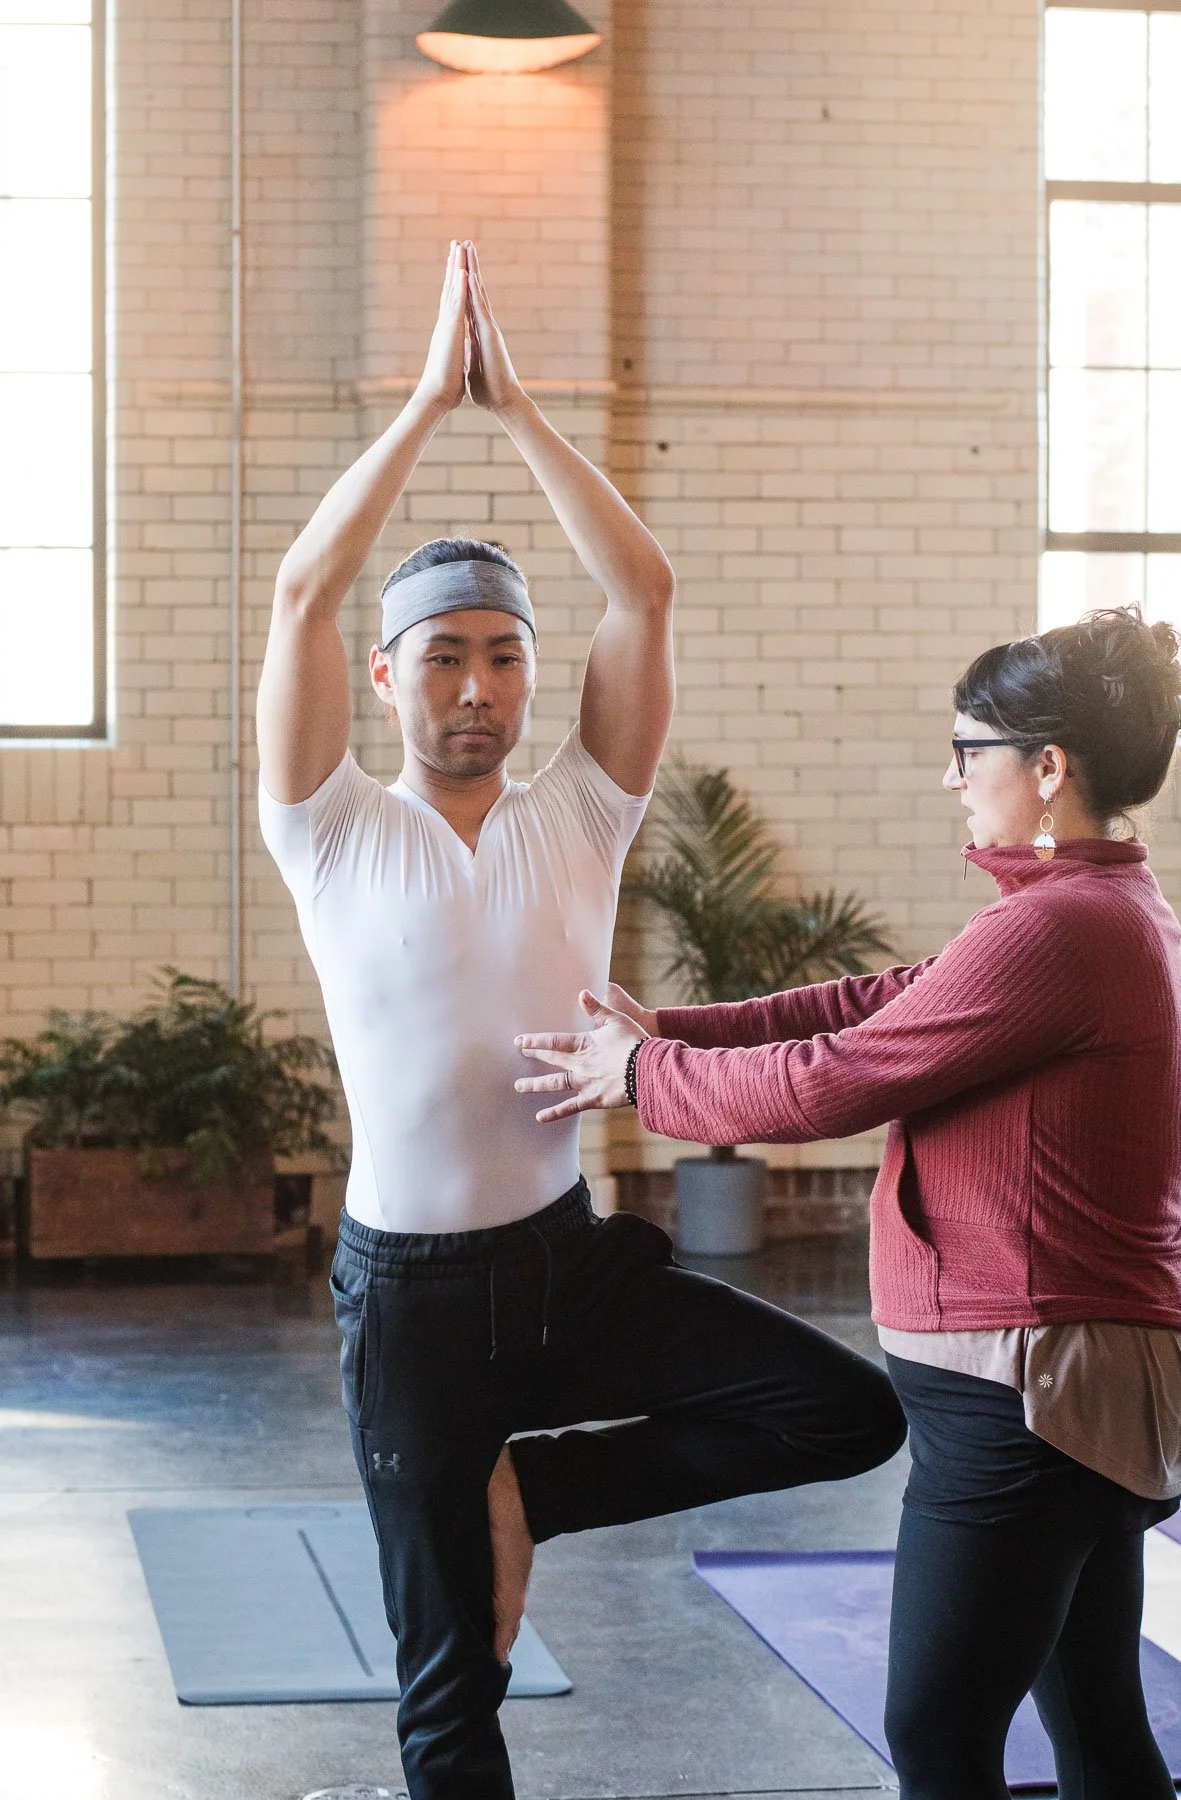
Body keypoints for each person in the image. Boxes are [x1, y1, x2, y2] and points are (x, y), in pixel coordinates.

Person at [256, 239, 906, 1800]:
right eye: (445, 661)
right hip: (408, 1308)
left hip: (568, 1266)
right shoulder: (330, 826)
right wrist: (427, 403)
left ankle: (531, 1489)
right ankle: (489, 1514)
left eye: (504, 658)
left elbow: (646, 589)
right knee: (450, 1686)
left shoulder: (582, 815)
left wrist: (526, 408)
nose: (477, 689)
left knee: (843, 1409)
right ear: (387, 678)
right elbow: (301, 586)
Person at [516, 606, 1181, 1800]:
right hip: (1064, 1375)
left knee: (939, 1737)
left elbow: (839, 1078)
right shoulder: (1090, 913)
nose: (951, 777)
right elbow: (874, 1002)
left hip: (1031, 1394)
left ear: (1048, 769)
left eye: (967, 749)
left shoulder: (1064, 928)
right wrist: (667, 1031)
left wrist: (639, 1079)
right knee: (1093, 1715)